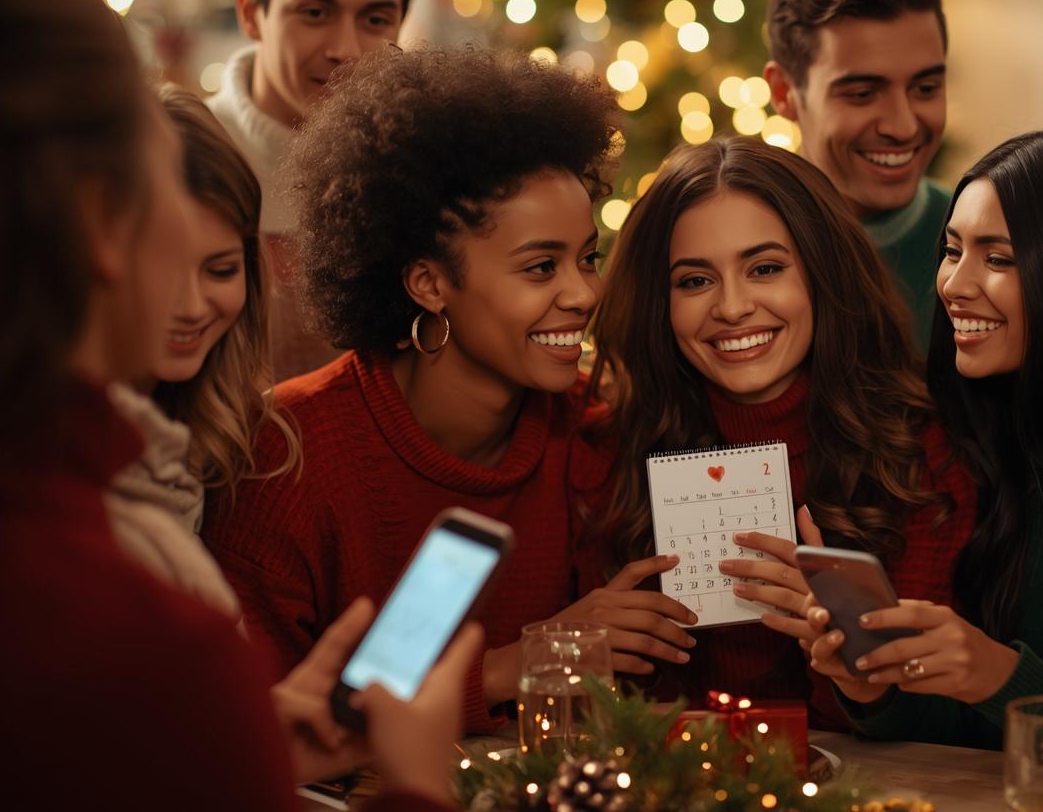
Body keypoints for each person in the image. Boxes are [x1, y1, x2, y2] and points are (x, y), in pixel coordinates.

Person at [0, 0, 470, 810]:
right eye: (160, 194)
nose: (196, 289)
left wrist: (253, 734)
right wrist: (417, 785)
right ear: (99, 225)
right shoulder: (128, 621)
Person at [202, 46, 693, 733]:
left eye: (587, 258)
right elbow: (253, 740)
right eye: (539, 267)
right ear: (429, 283)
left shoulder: (597, 427)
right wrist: (513, 663)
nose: (584, 294)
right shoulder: (285, 460)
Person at [806, 128, 1043, 768]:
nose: (954, 284)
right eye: (952, 250)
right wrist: (872, 690)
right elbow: (980, 733)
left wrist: (1002, 678)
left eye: (999, 257)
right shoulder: (977, 441)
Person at [575, 135, 976, 727]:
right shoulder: (610, 445)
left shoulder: (918, 447)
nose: (733, 307)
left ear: (822, 274)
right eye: (694, 281)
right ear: (658, 300)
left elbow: (939, 722)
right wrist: (597, 654)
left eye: (764, 268)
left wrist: (849, 655)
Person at [104, 85, 301, 620]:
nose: (191, 307)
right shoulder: (55, 458)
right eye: (161, 269)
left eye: (220, 270)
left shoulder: (242, 433)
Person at [209, 0, 424, 379]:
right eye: (314, 13)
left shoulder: (419, 174)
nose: (345, 49)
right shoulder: (183, 160)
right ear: (250, 12)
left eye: (375, 20)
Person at [764, 0, 950, 348]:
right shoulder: (730, 258)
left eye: (925, 88)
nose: (902, 127)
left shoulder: (993, 254)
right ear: (783, 93)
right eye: (862, 94)